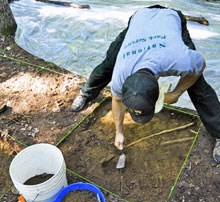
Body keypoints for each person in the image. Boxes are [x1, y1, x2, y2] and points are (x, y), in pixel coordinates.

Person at [72, 5, 220, 163]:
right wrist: (118, 132)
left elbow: (200, 65)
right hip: (140, 19)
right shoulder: (120, 74)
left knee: (198, 86)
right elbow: (116, 100)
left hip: (169, 18)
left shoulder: (179, 58)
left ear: (158, 91)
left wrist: (176, 92)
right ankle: (86, 93)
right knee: (106, 66)